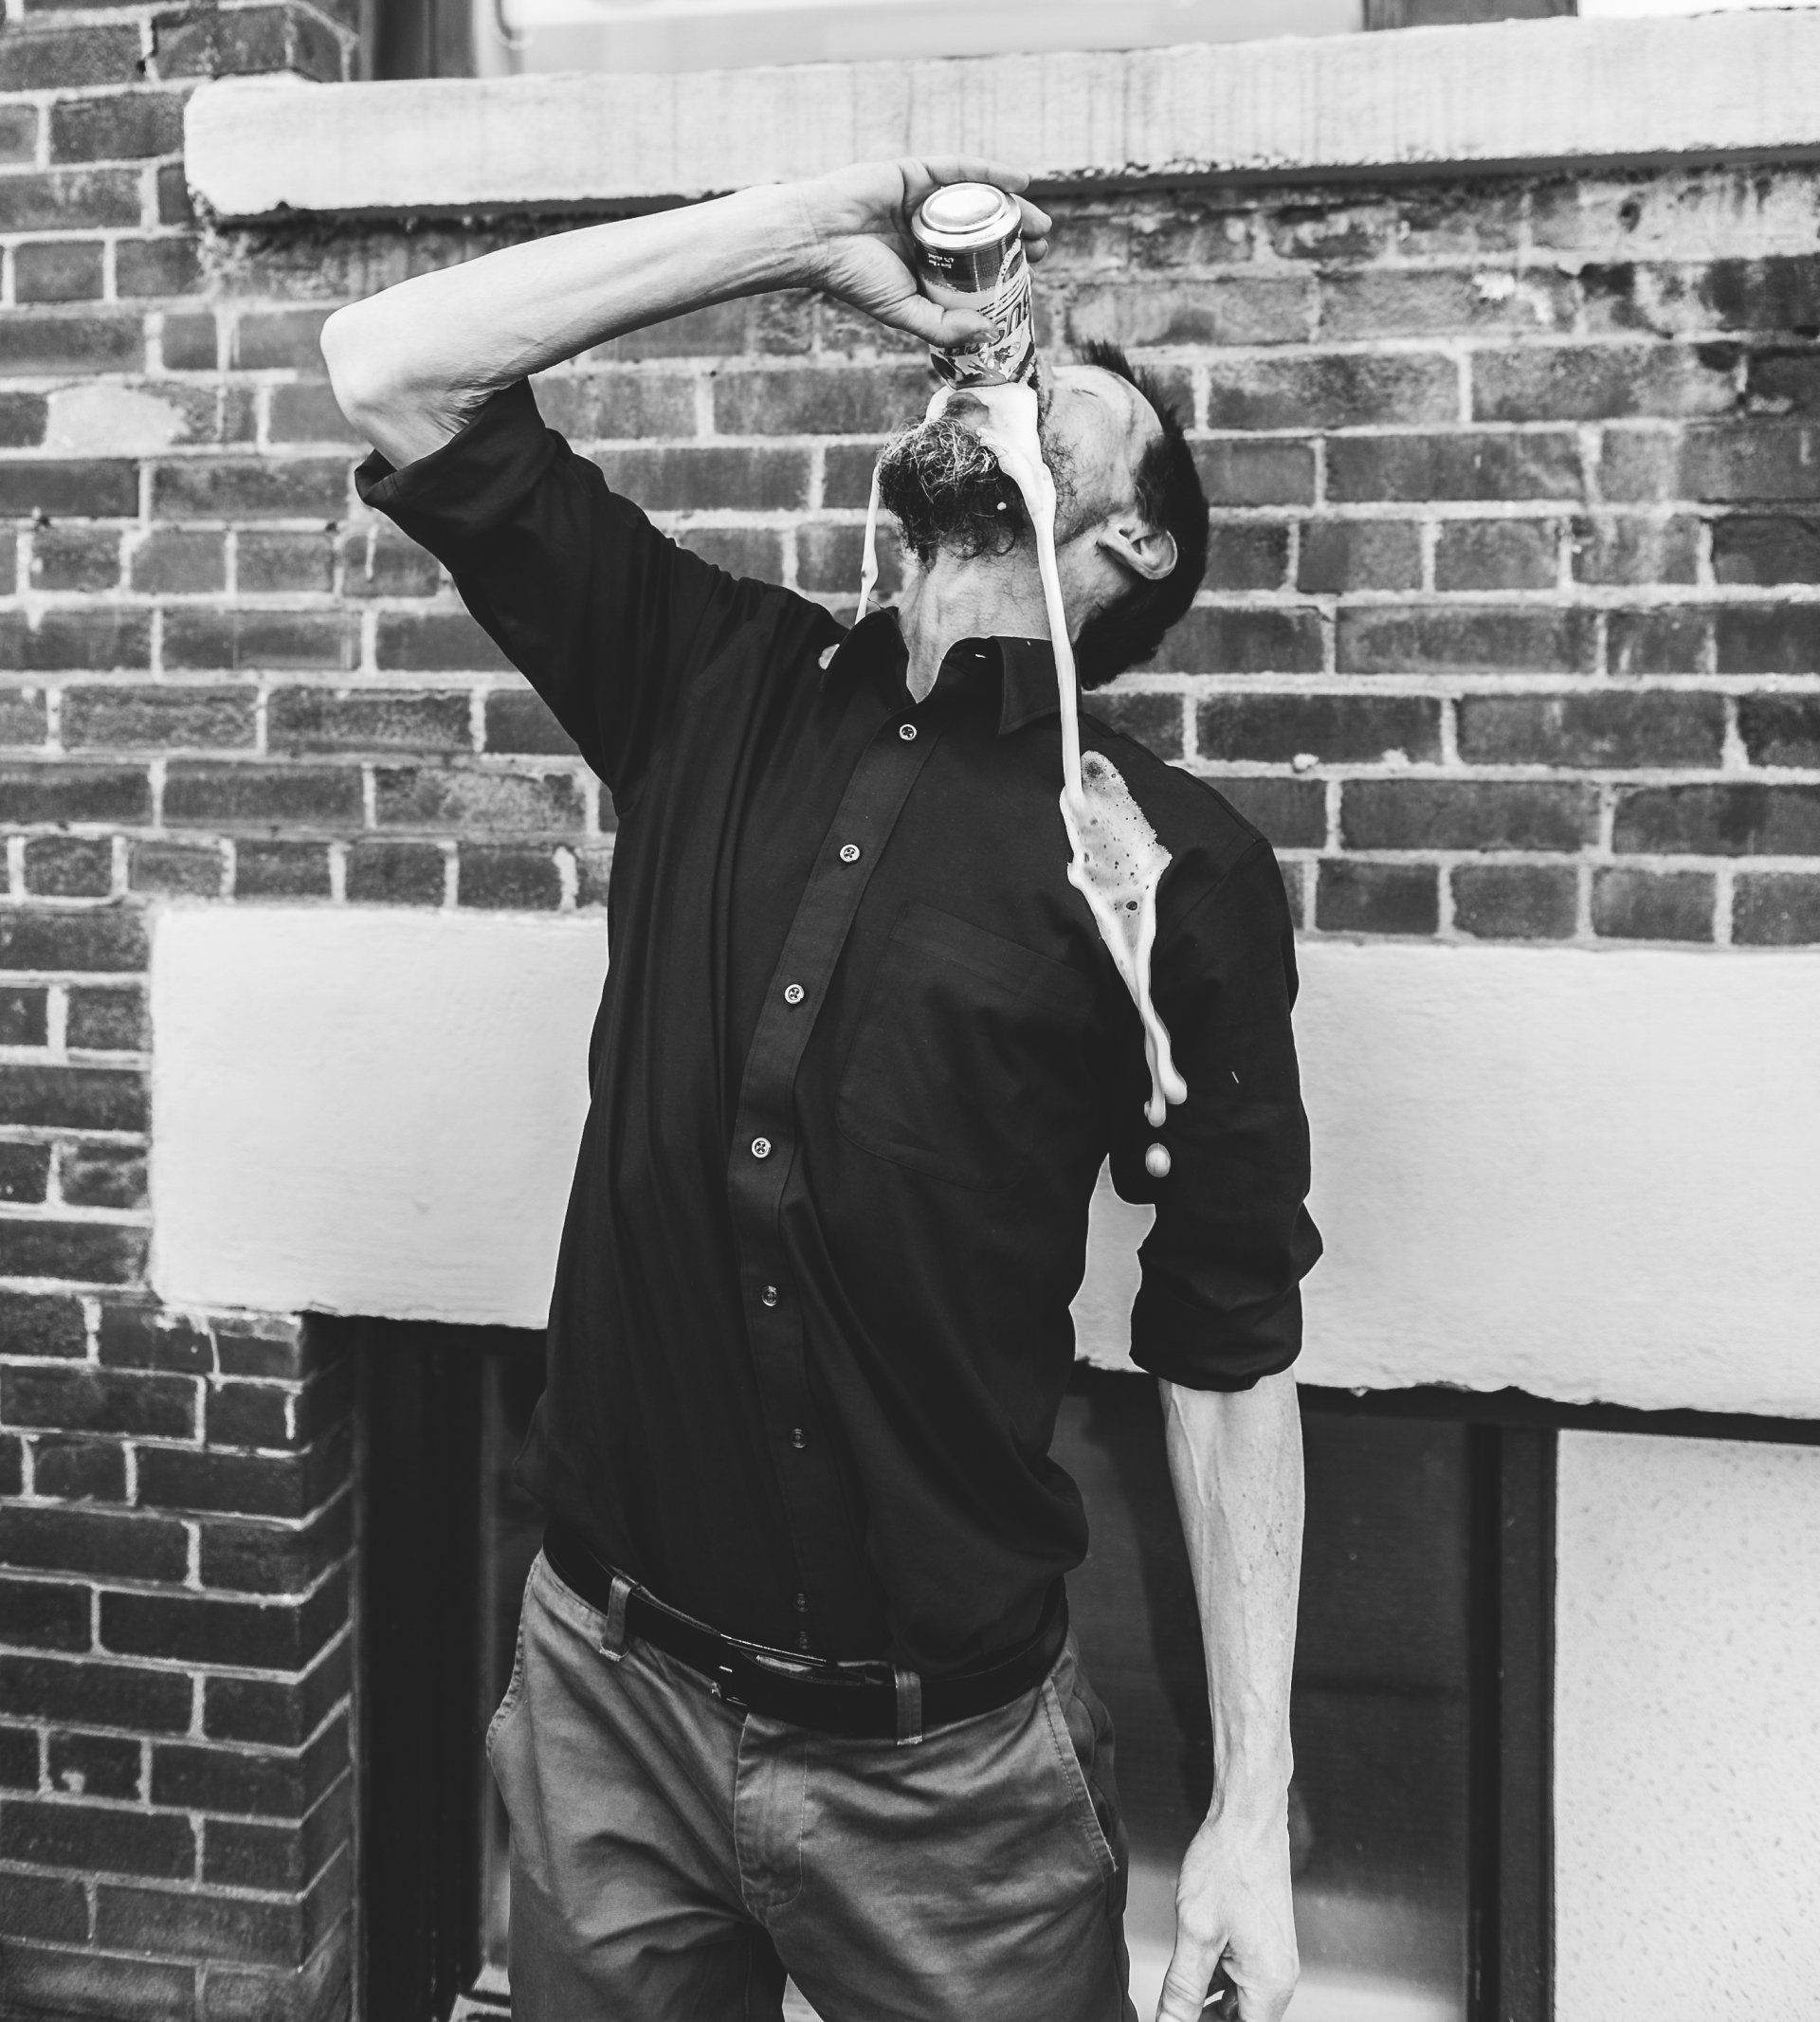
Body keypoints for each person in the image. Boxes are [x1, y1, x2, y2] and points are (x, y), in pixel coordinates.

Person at [322, 156, 1320, 2022]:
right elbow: (390, 362)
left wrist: (1253, 1800)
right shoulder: (709, 671)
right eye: (1005, 359)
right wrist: (790, 237)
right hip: (605, 1701)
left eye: (1072, 388)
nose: (1010, 373)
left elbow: (1229, 1343)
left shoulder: (1174, 874)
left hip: (953, 1785)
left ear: (1138, 542)